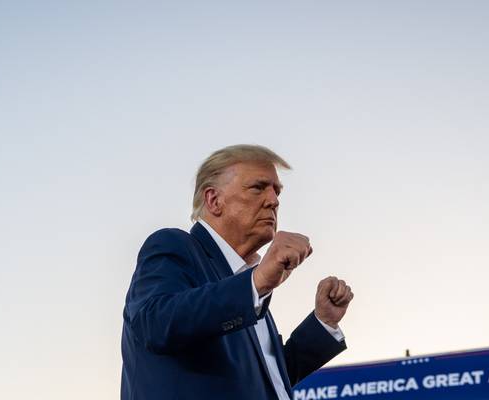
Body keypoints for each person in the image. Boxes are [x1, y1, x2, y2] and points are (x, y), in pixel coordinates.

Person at [121, 144, 355, 399]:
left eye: (277, 191)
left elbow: (267, 379)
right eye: (258, 187)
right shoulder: (174, 246)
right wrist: (256, 282)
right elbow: (154, 324)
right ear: (214, 200)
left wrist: (323, 322)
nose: (273, 201)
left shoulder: (246, 287)